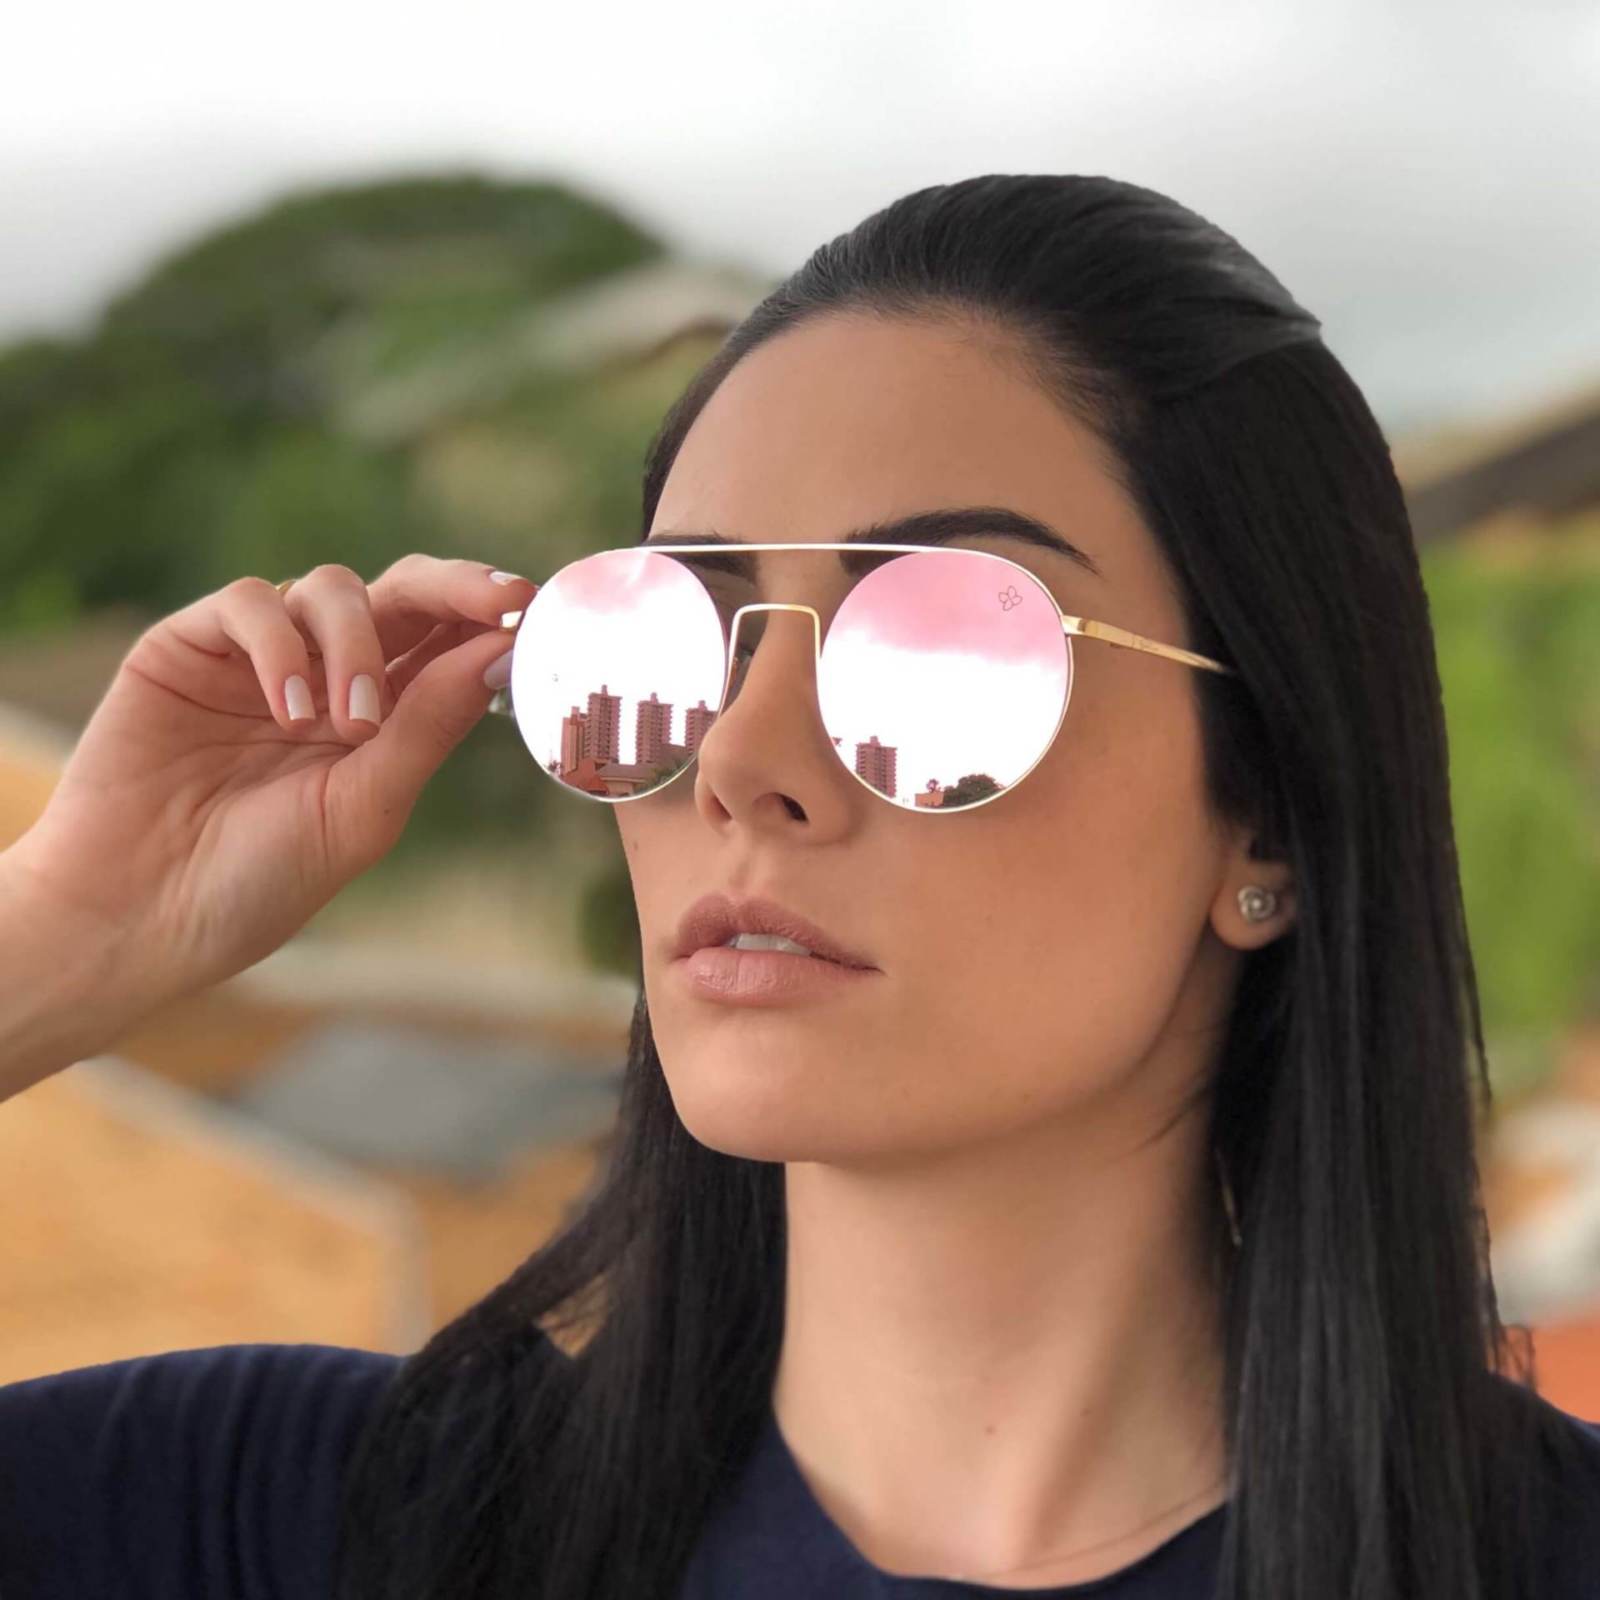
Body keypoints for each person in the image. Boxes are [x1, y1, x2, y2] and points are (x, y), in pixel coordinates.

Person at [0, 173, 1596, 1600]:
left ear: (1270, 821)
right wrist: (66, 936)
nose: (741, 757)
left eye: (939, 642)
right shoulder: (272, 1523)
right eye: (670, 639)